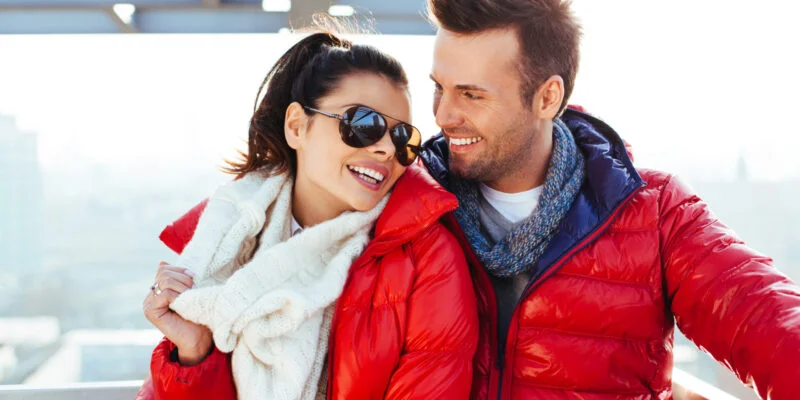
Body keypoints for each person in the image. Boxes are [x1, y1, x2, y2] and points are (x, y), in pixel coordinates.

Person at [418, 0, 800, 399]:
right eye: (438, 87)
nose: (444, 115)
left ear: (547, 98)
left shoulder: (653, 213)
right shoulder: (408, 208)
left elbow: (765, 317)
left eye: (472, 95)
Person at [135, 30, 478, 400]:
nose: (384, 150)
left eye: (402, 139)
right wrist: (194, 352)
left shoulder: (427, 261)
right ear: (297, 126)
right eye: (363, 125)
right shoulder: (222, 240)